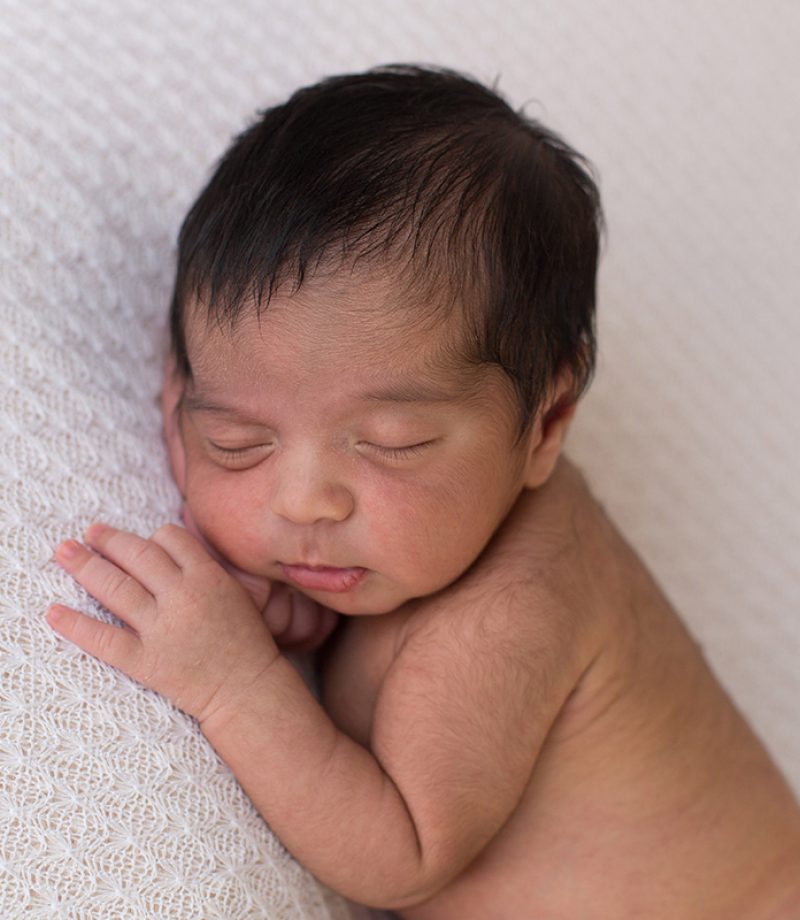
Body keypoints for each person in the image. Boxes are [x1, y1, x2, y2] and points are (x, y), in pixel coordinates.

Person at [47, 66, 800, 917]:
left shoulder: (516, 608)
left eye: (391, 444)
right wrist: (301, 614)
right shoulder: (422, 541)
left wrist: (235, 680)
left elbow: (399, 853)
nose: (303, 502)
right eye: (238, 443)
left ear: (545, 424)